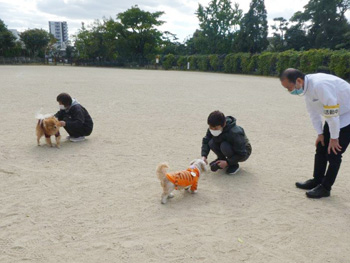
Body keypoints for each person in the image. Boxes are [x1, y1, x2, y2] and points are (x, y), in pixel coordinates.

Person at [280, 68, 350, 198]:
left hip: (347, 115)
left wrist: (334, 138)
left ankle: (325, 187)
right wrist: (320, 134)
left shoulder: (320, 85)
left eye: (289, 88)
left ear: (298, 81)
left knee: (334, 152)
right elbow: (313, 113)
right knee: (321, 146)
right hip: (335, 115)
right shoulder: (307, 88)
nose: (289, 91)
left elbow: (333, 114)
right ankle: (317, 180)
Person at [201, 110, 252, 175]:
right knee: (211, 142)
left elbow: (242, 153)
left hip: (243, 151)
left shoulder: (235, 133)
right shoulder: (212, 127)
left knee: (224, 146)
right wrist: (204, 156)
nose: (213, 130)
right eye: (211, 127)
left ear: (224, 124)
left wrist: (227, 162)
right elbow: (206, 140)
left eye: (216, 128)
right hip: (228, 144)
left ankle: (233, 165)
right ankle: (221, 159)